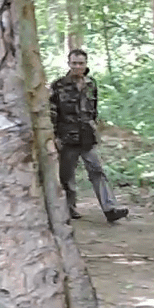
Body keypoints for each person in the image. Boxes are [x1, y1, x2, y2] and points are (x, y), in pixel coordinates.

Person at [49, 49, 129, 223]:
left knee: (97, 171)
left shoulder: (91, 84)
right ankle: (68, 210)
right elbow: (52, 112)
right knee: (66, 177)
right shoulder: (58, 85)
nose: (77, 66)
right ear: (69, 63)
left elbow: (93, 109)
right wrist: (54, 136)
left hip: (87, 137)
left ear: (86, 64)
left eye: (81, 63)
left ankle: (110, 209)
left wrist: (94, 128)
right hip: (67, 138)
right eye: (74, 63)